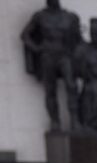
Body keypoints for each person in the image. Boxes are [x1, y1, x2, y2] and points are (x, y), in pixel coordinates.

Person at [21, 0, 82, 132]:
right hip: (48, 55)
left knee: (71, 85)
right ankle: (55, 121)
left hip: (64, 55)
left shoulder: (69, 17)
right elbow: (25, 35)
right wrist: (37, 48)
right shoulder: (40, 16)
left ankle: (75, 120)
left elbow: (79, 40)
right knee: (50, 90)